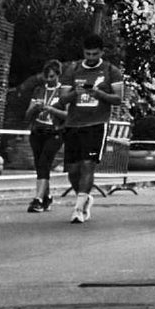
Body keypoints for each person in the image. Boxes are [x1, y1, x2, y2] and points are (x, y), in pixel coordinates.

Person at [54, 49, 116, 225]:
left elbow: (118, 98)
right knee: (73, 170)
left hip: (97, 124)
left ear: (101, 53)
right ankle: (85, 198)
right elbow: (62, 99)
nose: (90, 58)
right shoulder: (73, 70)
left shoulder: (111, 71)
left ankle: (78, 209)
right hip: (74, 124)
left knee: (88, 165)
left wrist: (100, 94)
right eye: (87, 54)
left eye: (94, 54)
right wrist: (76, 93)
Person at [21, 68, 64, 214]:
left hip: (54, 131)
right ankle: (47, 197)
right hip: (38, 130)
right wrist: (35, 109)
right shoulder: (39, 90)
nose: (49, 80)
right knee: (39, 164)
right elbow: (27, 114)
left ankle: (38, 199)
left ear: (58, 75)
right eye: (46, 77)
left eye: (52, 76)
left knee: (44, 162)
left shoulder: (64, 91)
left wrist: (51, 109)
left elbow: (68, 115)